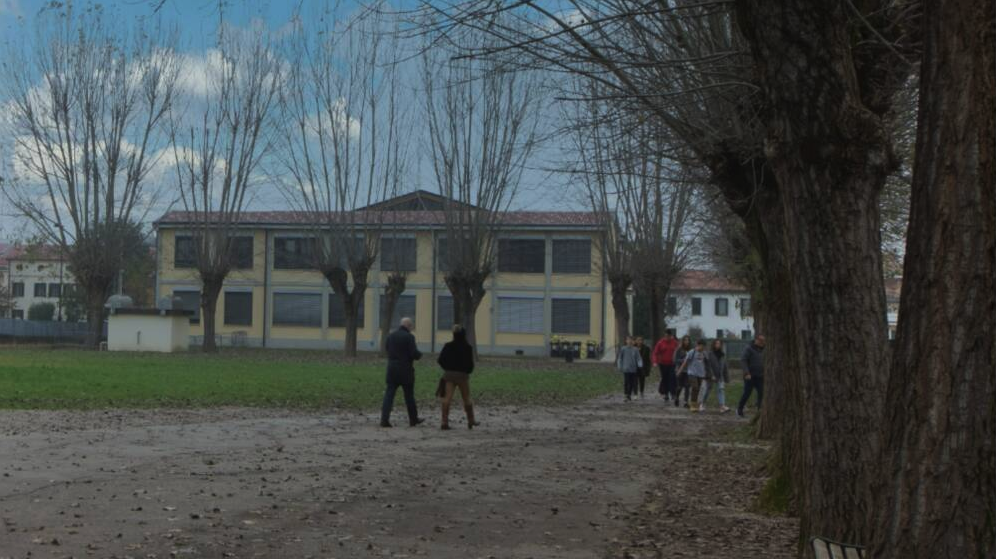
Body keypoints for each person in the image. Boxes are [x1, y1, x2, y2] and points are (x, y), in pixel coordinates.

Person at [380, 317, 425, 427]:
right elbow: (414, 353)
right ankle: (413, 419)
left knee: (389, 395)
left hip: (392, 369)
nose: (411, 329)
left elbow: (387, 349)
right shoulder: (409, 337)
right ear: (408, 326)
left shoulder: (390, 336)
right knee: (409, 396)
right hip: (405, 370)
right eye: (411, 326)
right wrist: (420, 355)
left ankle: (384, 419)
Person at [436, 324, 479, 430]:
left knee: (447, 399)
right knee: (466, 398)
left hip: (449, 375)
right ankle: (471, 420)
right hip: (462, 376)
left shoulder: (448, 346)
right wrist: (467, 371)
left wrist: (447, 368)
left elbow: (440, 360)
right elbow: (470, 364)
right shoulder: (467, 347)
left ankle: (444, 422)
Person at [737, 334, 765, 417]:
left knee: (761, 393)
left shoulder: (764, 349)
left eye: (763, 341)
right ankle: (739, 409)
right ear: (756, 340)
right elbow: (743, 360)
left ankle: (760, 411)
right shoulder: (749, 348)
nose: (762, 342)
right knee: (747, 393)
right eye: (760, 340)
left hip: (760, 376)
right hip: (750, 376)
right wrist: (746, 372)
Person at [677, 339, 708, 412]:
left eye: (704, 347)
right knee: (695, 387)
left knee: (698, 389)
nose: (703, 348)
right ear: (699, 345)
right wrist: (679, 371)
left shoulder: (704, 353)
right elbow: (685, 362)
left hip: (701, 374)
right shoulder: (692, 352)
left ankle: (695, 404)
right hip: (692, 373)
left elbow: (706, 363)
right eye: (702, 346)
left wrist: (707, 373)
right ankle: (693, 405)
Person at [702, 339, 731, 413]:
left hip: (719, 376)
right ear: (713, 344)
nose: (718, 345)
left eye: (719, 343)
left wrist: (726, 378)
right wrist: (711, 375)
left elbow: (725, 366)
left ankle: (722, 406)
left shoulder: (722, 354)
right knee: (707, 390)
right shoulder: (709, 354)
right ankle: (702, 404)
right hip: (710, 376)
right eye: (716, 343)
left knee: (721, 390)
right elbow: (707, 365)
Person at [652, 332, 679, 401]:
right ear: (664, 336)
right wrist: (655, 362)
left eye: (669, 336)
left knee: (672, 378)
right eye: (666, 336)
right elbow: (655, 352)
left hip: (672, 364)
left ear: (671, 336)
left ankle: (673, 393)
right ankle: (666, 394)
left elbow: (679, 352)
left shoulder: (675, 343)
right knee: (665, 379)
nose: (667, 338)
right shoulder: (660, 343)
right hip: (663, 364)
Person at [616, 337, 643, 401]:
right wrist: (619, 365)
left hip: (634, 369)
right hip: (626, 369)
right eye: (628, 340)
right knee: (627, 382)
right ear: (626, 341)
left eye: (631, 340)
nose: (630, 341)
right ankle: (626, 394)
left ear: (633, 341)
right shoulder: (623, 349)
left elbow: (638, 358)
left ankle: (635, 394)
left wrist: (640, 364)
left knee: (634, 382)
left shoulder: (635, 349)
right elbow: (620, 358)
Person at [673, 336, 692, 408]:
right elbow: (675, 360)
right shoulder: (679, 349)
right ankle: (676, 397)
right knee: (679, 386)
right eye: (685, 340)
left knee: (687, 386)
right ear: (682, 341)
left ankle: (686, 402)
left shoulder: (691, 350)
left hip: (689, 371)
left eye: (688, 340)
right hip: (680, 370)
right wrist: (684, 360)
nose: (687, 342)